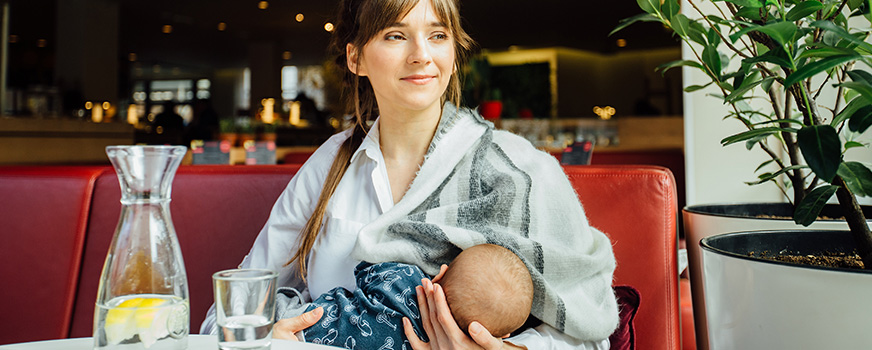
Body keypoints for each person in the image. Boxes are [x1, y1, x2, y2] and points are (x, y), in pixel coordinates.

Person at [200, 0, 619, 348]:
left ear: (453, 56)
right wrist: (266, 337)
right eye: (396, 35)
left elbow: (593, 329)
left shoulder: (519, 169)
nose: (422, 54)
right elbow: (233, 307)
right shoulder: (331, 163)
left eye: (438, 36)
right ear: (355, 58)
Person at [274, 244, 534, 349]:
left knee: (264, 304)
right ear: (498, 338)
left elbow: (364, 269)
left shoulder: (404, 275)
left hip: (304, 322)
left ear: (439, 275)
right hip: (304, 335)